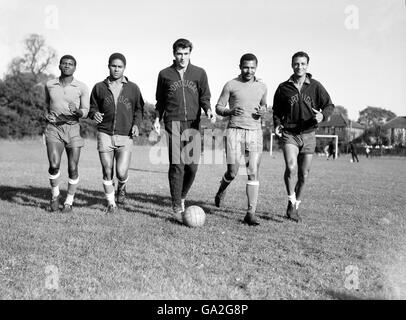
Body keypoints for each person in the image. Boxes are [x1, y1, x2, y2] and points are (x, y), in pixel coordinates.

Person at [153, 38, 215, 221]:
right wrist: (157, 118)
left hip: (193, 124)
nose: (182, 57)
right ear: (174, 54)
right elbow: (160, 101)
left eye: (186, 53)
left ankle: (181, 197)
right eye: (179, 54)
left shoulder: (199, 73)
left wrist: (209, 111)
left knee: (192, 167)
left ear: (190, 53)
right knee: (177, 165)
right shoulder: (164, 74)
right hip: (173, 123)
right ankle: (176, 207)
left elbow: (205, 97)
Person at [273, 51, 334, 222]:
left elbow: (329, 105)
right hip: (290, 134)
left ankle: (296, 206)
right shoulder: (283, 88)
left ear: (307, 65)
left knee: (304, 174)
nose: (299, 67)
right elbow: (276, 111)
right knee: (291, 167)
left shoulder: (315, 86)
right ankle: (291, 201)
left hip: (308, 134)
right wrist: (277, 123)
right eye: (296, 64)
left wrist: (323, 116)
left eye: (303, 64)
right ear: (292, 65)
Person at [214, 53, 267, 226]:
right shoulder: (231, 85)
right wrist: (229, 111)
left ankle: (250, 213)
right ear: (240, 66)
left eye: (252, 67)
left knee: (253, 171)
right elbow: (219, 107)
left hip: (255, 132)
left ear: (256, 67)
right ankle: (221, 190)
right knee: (233, 172)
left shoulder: (262, 86)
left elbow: (264, 105)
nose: (249, 70)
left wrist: (263, 110)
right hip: (234, 131)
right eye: (246, 67)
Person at [89, 53, 144, 213]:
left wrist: (136, 125)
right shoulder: (99, 87)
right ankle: (111, 204)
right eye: (114, 66)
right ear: (108, 66)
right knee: (107, 170)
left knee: (121, 172)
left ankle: (122, 186)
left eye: (120, 67)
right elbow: (92, 107)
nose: (116, 69)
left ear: (124, 68)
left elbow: (139, 109)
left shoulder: (133, 88)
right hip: (105, 134)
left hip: (126, 135)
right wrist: (94, 114)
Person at [44, 55, 89, 213]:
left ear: (75, 68)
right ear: (60, 66)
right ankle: (55, 195)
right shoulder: (50, 84)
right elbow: (45, 105)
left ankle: (69, 201)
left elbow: (86, 111)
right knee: (54, 165)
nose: (67, 66)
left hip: (73, 128)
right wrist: (46, 114)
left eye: (70, 64)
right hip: (54, 129)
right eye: (64, 63)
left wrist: (77, 111)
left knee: (73, 168)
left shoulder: (81, 87)